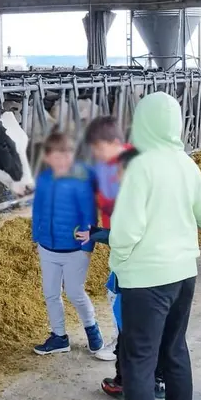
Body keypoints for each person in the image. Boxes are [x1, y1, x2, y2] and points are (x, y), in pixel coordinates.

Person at [107, 92, 201, 400]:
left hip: (146, 279)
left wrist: (119, 262)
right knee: (174, 349)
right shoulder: (186, 164)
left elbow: (125, 231)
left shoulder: (140, 167)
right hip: (183, 275)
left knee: (139, 363)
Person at [94, 148, 166, 400]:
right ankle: (158, 380)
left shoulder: (132, 199)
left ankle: (125, 383)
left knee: (128, 333)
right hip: (161, 277)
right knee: (155, 330)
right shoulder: (159, 195)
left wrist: (96, 234)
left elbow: (124, 237)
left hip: (131, 277)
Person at [31, 131, 104, 356]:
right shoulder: (43, 180)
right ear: (47, 158)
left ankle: (91, 327)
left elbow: (88, 212)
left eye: (67, 155)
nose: (63, 161)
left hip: (74, 250)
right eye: (57, 156)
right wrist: (37, 237)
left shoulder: (79, 182)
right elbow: (38, 209)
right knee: (51, 293)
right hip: (47, 248)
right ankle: (59, 336)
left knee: (74, 292)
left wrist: (87, 244)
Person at [85, 116, 132, 362]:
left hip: (132, 247)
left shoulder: (130, 170)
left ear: (115, 142)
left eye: (99, 148)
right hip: (120, 243)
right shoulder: (109, 166)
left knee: (119, 294)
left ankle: (123, 344)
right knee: (115, 290)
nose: (96, 154)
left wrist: (97, 234)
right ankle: (122, 341)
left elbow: (130, 226)